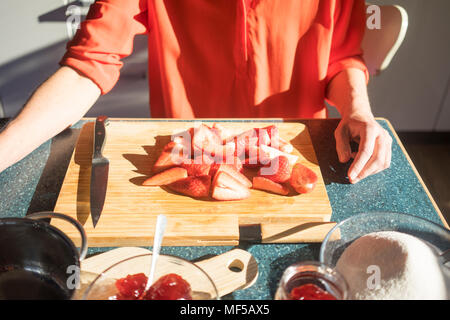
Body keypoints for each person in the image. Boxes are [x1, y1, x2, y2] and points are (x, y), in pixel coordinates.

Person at [0, 0, 392, 183]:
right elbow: (90, 64)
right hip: (188, 158)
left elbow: (341, 59)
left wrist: (358, 110)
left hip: (294, 149)